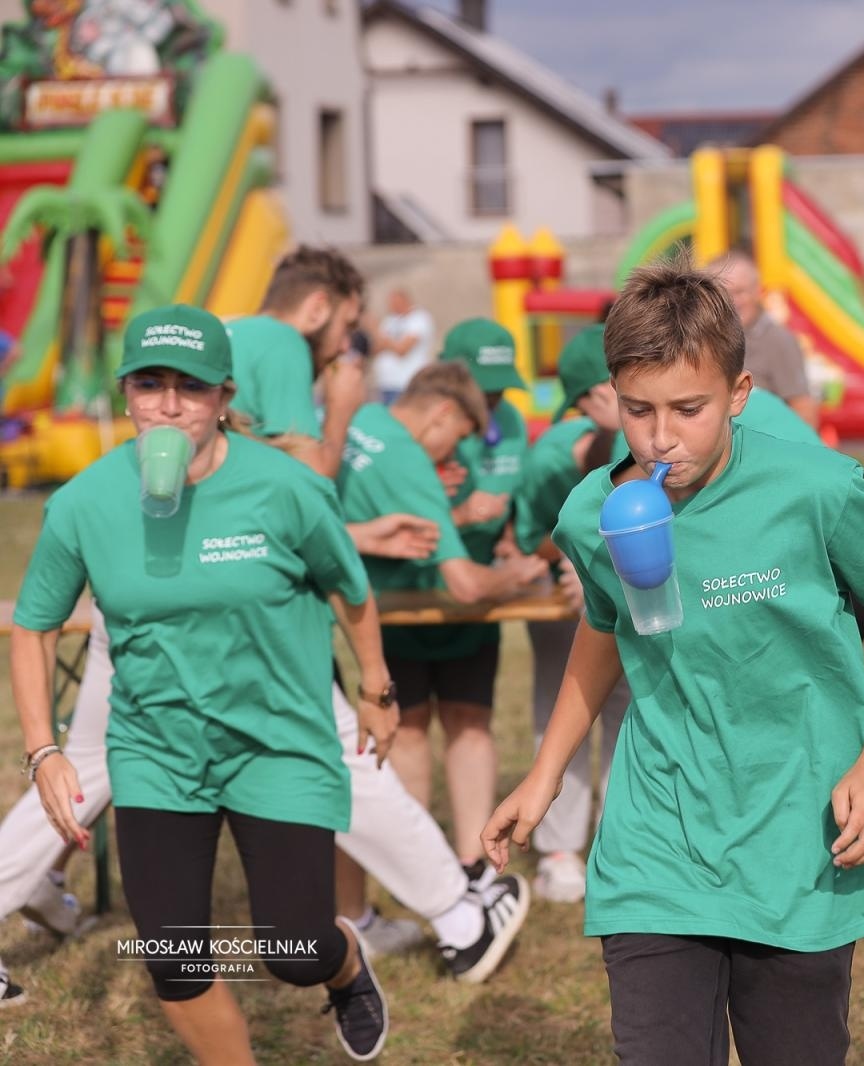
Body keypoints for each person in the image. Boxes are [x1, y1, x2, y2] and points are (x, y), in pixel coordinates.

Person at [483, 257, 864, 1064]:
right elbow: (604, 630)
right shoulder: (593, 512)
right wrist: (546, 770)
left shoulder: (813, 488)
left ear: (739, 394)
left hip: (792, 833)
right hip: (655, 840)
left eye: (689, 409)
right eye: (638, 411)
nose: (661, 437)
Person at [10, 305, 395, 1060]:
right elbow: (34, 625)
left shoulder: (286, 489)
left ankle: (344, 964)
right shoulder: (84, 502)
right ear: (125, 394)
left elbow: (349, 589)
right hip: (157, 751)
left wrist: (377, 687)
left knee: (293, 952)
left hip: (277, 743)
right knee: (178, 960)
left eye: (190, 387)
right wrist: (42, 750)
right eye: (149, 383)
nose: (169, 404)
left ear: (224, 396)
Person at [337, 363, 548, 886]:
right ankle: (440, 876)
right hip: (403, 615)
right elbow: (468, 585)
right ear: (444, 412)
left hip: (418, 619)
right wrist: (516, 576)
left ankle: (452, 868)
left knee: (463, 724)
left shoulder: (364, 419)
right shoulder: (409, 460)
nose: (454, 453)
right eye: (456, 437)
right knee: (407, 732)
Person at [509, 323, 631, 903]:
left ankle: (623, 837)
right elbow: (529, 537)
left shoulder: (667, 440)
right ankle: (558, 849)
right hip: (567, 605)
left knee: (633, 713)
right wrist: (572, 559)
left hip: (643, 600)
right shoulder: (554, 457)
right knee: (563, 707)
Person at [227, 244, 368, 478]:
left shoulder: (232, 330)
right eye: (346, 326)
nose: (345, 347)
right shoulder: (285, 341)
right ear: (317, 310)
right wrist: (340, 409)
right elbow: (311, 480)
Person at [710, 248, 820, 428]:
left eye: (740, 292)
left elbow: (803, 408)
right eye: (724, 294)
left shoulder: (777, 340)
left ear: (757, 292)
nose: (733, 302)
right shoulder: (703, 338)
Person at [370, 286, 435, 405]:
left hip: (405, 384)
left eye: (395, 302)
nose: (391, 306)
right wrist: (386, 341)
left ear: (405, 300)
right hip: (386, 384)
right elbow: (375, 348)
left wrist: (377, 332)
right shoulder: (389, 320)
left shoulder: (419, 318)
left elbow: (402, 349)